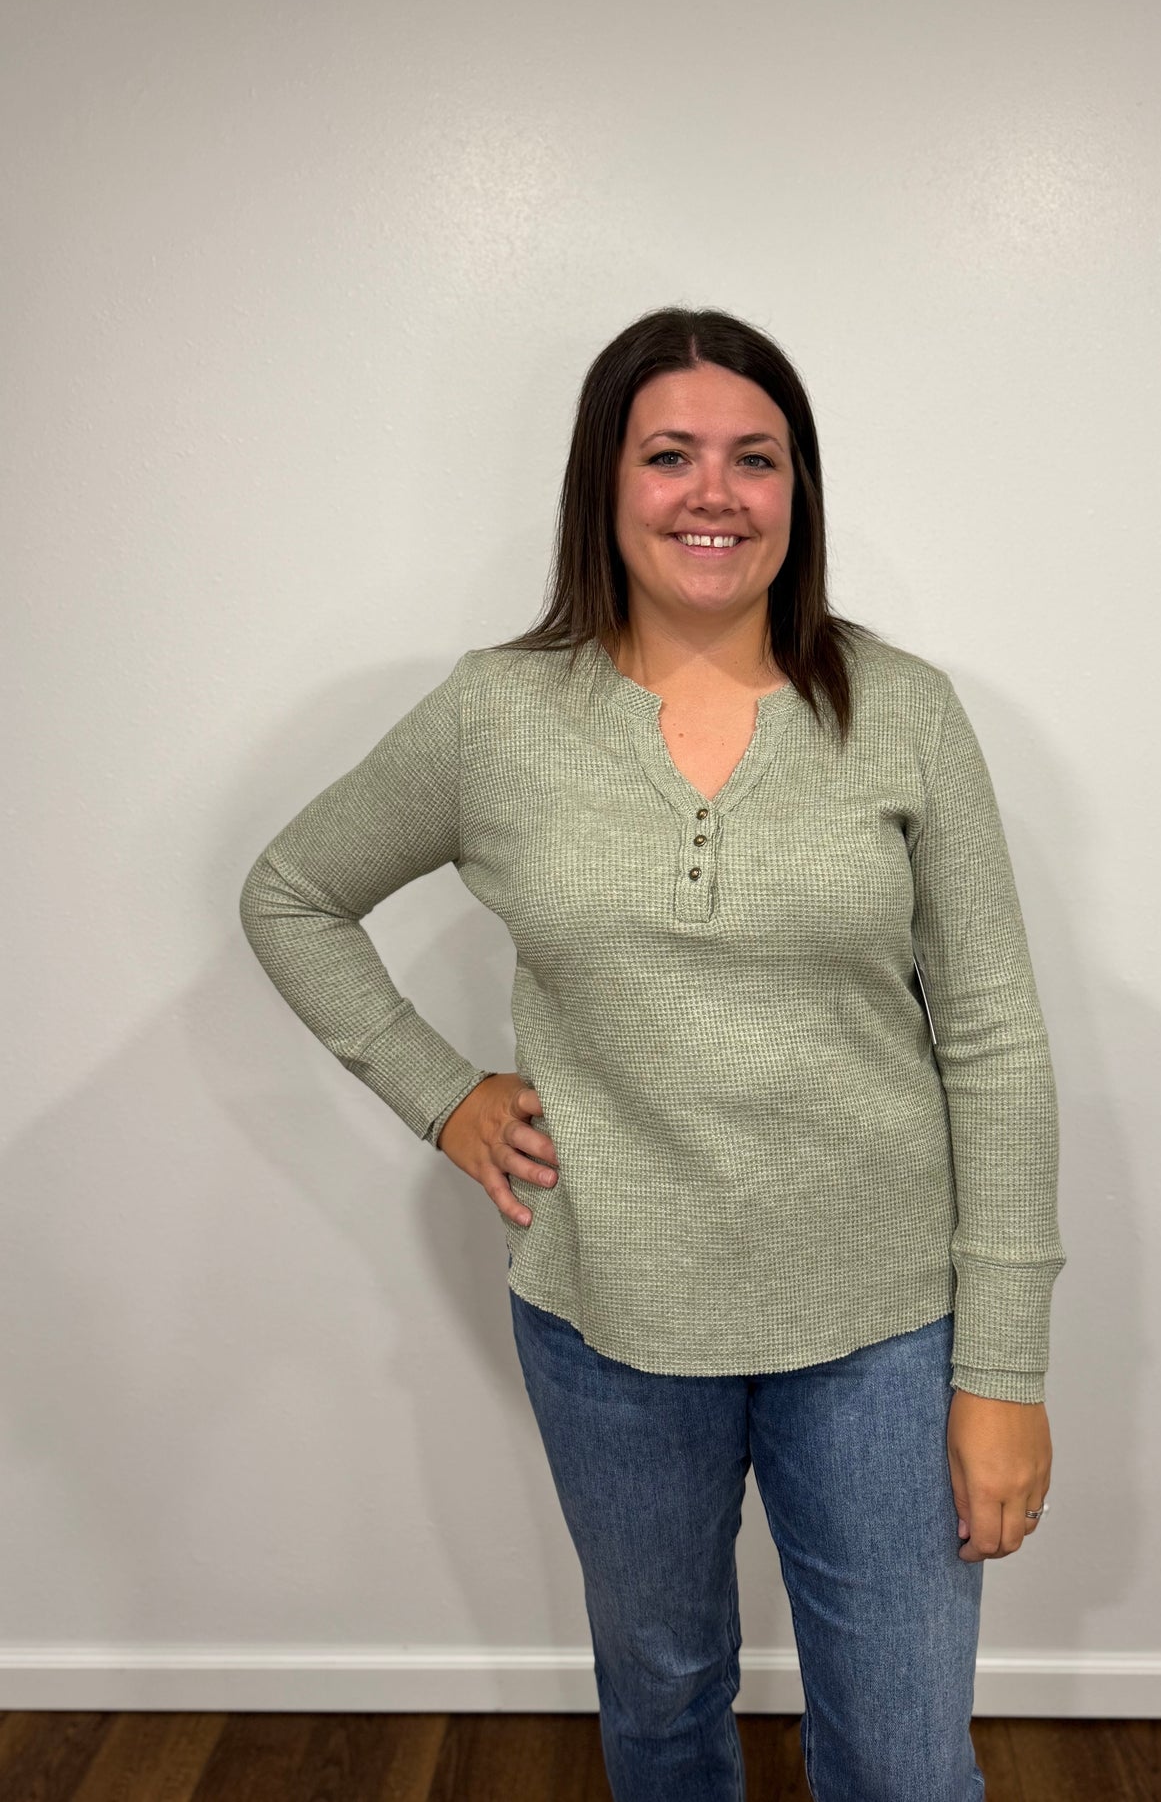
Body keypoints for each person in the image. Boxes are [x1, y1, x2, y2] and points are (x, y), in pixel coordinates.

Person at [239, 305, 1066, 1802]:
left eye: (756, 458)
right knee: (665, 1706)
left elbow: (996, 1043)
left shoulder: (902, 714)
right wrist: (444, 1097)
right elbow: (293, 894)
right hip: (607, 1317)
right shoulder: (497, 718)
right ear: (603, 485)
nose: (715, 493)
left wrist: (1000, 1361)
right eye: (670, 454)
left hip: (881, 1325)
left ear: (796, 492)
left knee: (900, 1756)